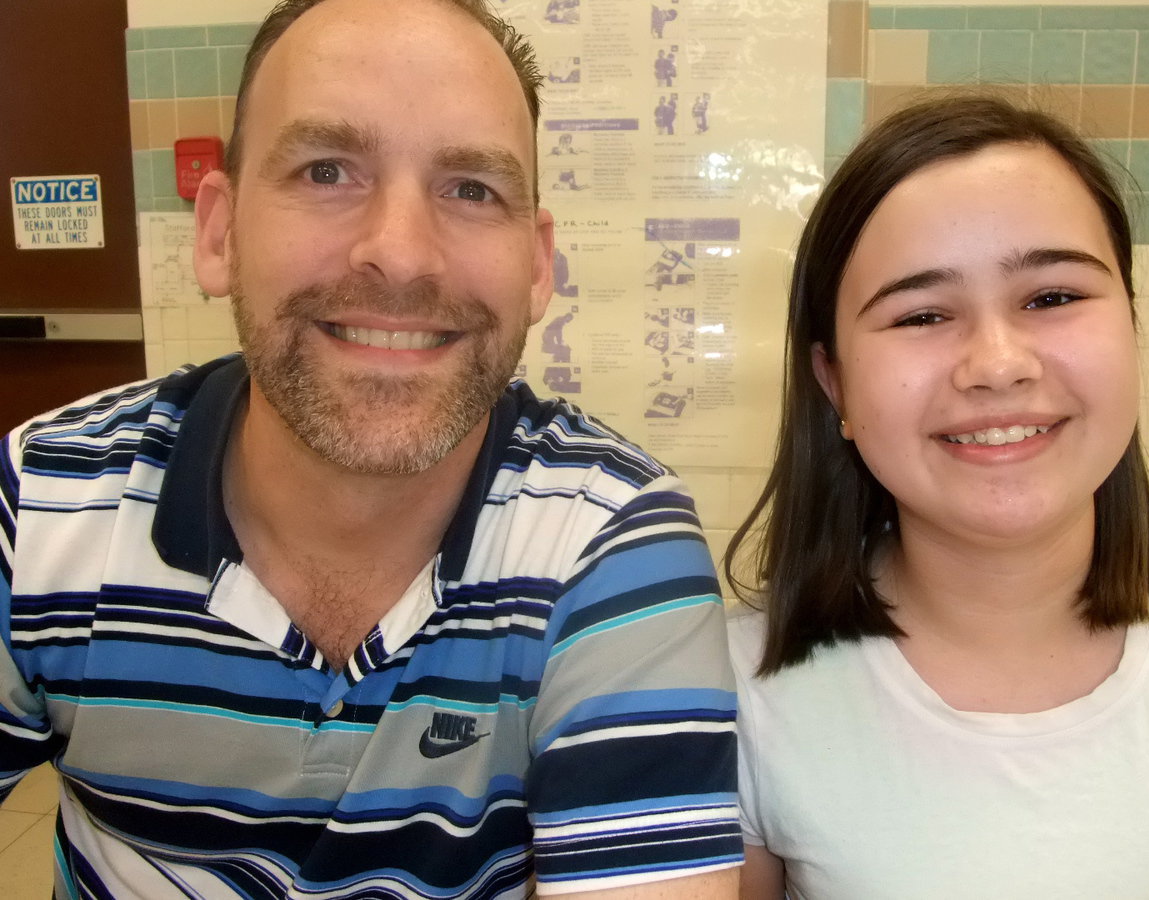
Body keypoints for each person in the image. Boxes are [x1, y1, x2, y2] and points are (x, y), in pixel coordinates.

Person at [0, 1, 742, 897]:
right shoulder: (41, 503)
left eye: (472, 188)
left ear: (539, 265)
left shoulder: (610, 546)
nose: (399, 254)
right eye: (326, 170)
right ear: (219, 233)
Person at [725, 94, 1149, 899]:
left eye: (1052, 298)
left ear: (1130, 321)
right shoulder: (738, 695)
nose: (997, 363)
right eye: (923, 314)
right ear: (833, 380)